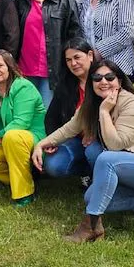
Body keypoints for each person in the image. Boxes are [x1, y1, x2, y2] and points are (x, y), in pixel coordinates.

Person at [34, 60, 134, 242]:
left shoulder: (133, 105)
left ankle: (91, 226)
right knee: (91, 196)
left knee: (106, 159)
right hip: (130, 163)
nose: (103, 82)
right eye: (97, 78)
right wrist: (40, 144)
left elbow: (115, 145)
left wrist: (104, 113)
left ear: (119, 81)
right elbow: (69, 129)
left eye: (109, 77)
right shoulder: (92, 104)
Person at [0, 50, 45, 206]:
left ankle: (25, 194)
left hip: (31, 139)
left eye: (0, 65)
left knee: (12, 136)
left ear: (10, 67)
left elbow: (21, 122)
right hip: (6, 141)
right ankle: (24, 177)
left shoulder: (23, 87)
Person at [16, 0, 82, 107]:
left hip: (53, 71)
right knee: (26, 113)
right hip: (24, 70)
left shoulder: (65, 0)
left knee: (47, 113)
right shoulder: (21, 2)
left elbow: (74, 34)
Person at [41, 38, 97, 179]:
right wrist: (52, 140)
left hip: (101, 141)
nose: (73, 63)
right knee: (53, 165)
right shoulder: (65, 84)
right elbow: (51, 117)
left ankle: (98, 175)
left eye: (77, 57)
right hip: (74, 139)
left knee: (93, 151)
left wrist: (96, 135)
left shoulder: (104, 80)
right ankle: (85, 171)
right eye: (68, 60)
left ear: (90, 55)